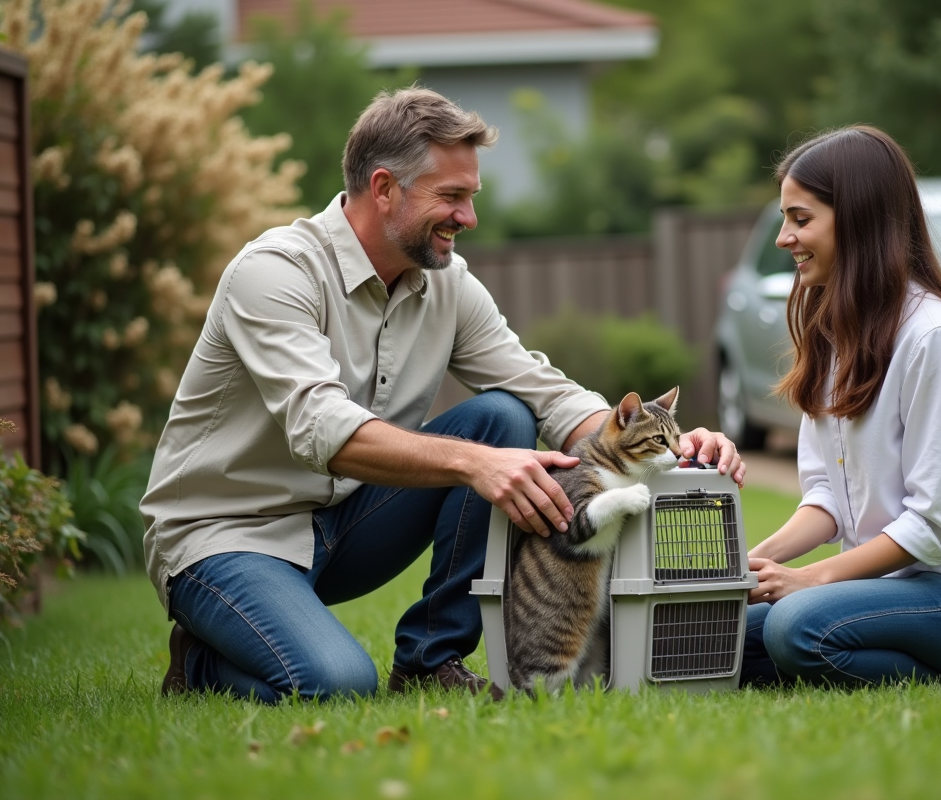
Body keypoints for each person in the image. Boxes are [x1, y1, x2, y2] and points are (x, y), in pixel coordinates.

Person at [142, 87, 745, 703]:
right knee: (336, 683)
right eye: (451, 197)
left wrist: (665, 442)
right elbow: (320, 425)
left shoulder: (448, 284)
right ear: (383, 189)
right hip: (227, 537)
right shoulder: (274, 273)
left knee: (502, 417)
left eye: (470, 197)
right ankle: (198, 665)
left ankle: (431, 660)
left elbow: (543, 393)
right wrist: (474, 465)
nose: (469, 217)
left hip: (346, 524)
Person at [740, 126, 941, 688]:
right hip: (884, 589)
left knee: (793, 627)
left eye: (801, 220)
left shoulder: (934, 338)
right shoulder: (832, 333)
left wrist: (812, 581)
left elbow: (929, 528)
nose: (784, 238)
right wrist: (749, 564)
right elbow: (829, 498)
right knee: (721, 632)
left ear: (858, 219)